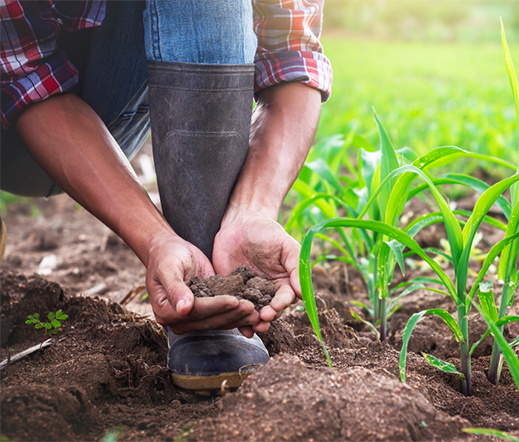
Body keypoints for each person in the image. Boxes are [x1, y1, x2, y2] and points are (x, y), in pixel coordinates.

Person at [0, 0, 331, 393]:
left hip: (103, 107)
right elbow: (22, 76)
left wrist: (251, 209)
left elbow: (292, 54)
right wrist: (151, 237)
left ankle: (201, 274)